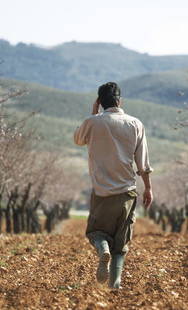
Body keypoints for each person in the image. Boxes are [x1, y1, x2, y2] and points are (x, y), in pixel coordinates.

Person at [73, 81, 153, 289]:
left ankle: (102, 250)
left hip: (101, 193)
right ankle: (115, 282)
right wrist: (148, 188)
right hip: (126, 193)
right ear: (120, 100)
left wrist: (93, 114)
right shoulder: (135, 124)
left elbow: (78, 139)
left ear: (100, 102)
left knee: (96, 233)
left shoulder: (92, 123)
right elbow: (143, 164)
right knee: (121, 243)